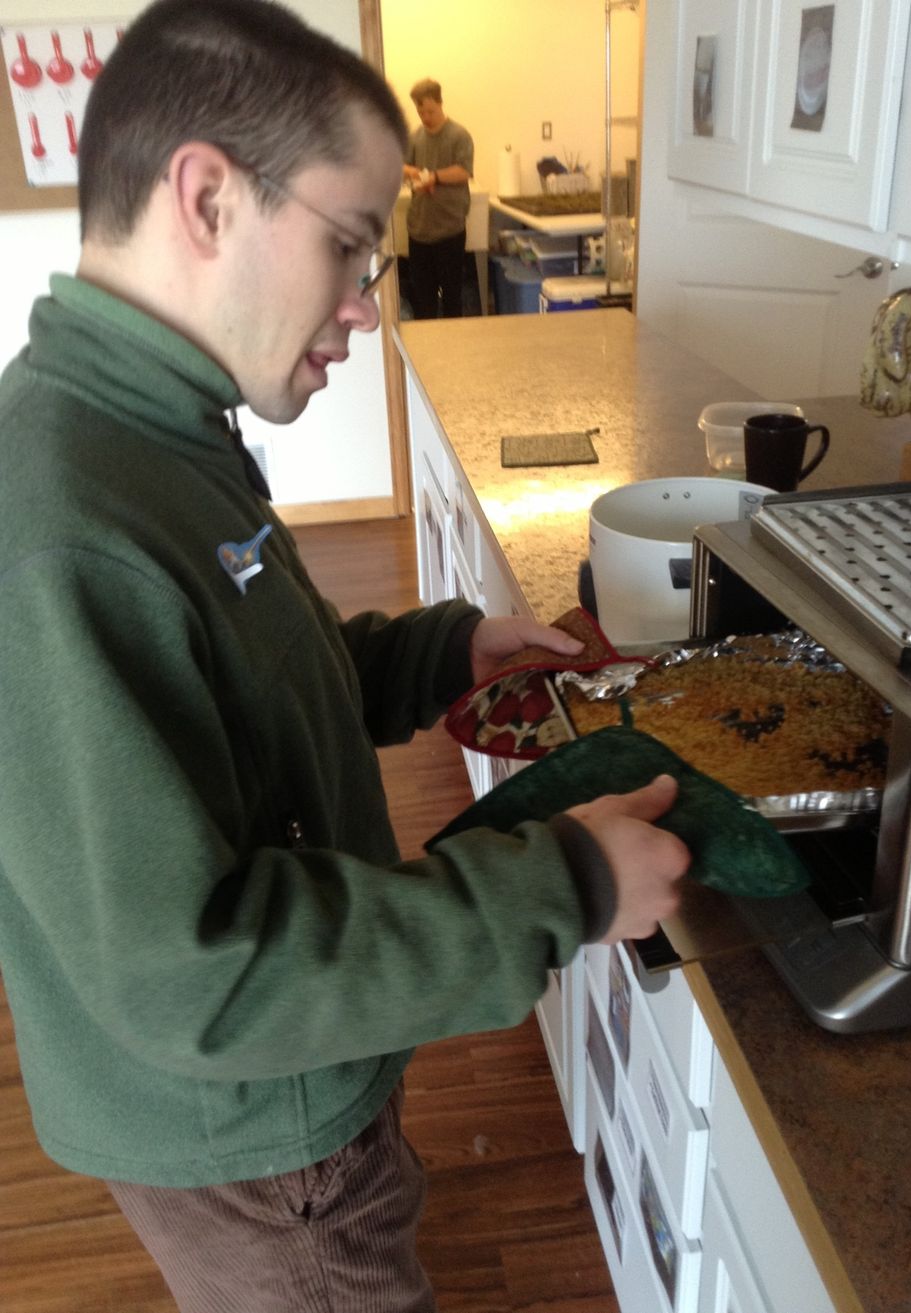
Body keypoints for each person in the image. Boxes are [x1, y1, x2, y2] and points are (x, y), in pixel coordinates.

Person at [0, 3, 688, 1310]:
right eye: (350, 246)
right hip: (261, 1149)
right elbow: (197, 975)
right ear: (206, 197)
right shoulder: (67, 527)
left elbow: (253, 678)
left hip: (279, 1101)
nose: (366, 309)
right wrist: (564, 886)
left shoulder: (157, 434)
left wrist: (446, 647)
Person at [402, 78, 474, 319]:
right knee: (423, 300)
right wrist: (410, 173)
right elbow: (404, 168)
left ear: (441, 103)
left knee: (452, 297)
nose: (425, 116)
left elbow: (464, 171)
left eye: (430, 110)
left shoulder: (459, 135)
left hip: (449, 231)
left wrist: (434, 177)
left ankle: (455, 351)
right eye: (420, 111)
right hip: (419, 232)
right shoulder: (414, 137)